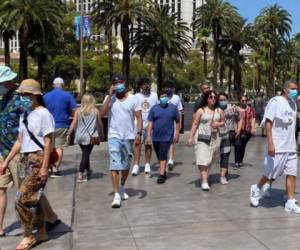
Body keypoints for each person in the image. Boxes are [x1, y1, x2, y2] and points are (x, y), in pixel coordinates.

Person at [0, 67, 59, 238]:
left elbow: (44, 137)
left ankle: (45, 222)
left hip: (23, 154)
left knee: (26, 193)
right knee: (4, 189)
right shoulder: (3, 99)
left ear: (7, 82)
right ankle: (1, 227)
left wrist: (43, 165)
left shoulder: (24, 99)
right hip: (6, 151)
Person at [250, 80, 300, 213]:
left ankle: (290, 202)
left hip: (290, 147)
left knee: (292, 174)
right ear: (285, 89)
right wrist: (270, 143)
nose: (295, 91)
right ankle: (256, 187)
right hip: (278, 146)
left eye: (297, 89)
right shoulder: (275, 102)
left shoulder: (293, 104)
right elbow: (268, 122)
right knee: (269, 174)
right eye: (292, 89)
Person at [101, 74, 142, 208]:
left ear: (124, 83)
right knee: (115, 165)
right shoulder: (110, 99)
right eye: (115, 82)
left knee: (125, 166)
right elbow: (101, 114)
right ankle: (116, 195)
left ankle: (122, 186)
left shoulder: (133, 99)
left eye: (120, 82)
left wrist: (139, 133)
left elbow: (139, 117)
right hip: (114, 136)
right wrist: (109, 96)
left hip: (129, 136)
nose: (118, 84)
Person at [188, 90, 225, 191]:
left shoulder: (219, 111)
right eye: (210, 97)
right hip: (201, 137)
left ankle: (204, 177)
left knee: (210, 160)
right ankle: (204, 181)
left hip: (215, 138)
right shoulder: (201, 110)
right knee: (202, 158)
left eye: (214, 97)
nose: (213, 99)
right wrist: (191, 137)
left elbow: (223, 122)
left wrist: (218, 124)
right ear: (206, 98)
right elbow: (195, 124)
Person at [44, 77, 77, 177]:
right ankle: (55, 170)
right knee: (59, 148)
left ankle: (48, 167)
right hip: (62, 125)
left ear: (53, 85)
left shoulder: (46, 96)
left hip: (48, 125)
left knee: (48, 146)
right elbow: (75, 111)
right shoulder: (68, 96)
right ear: (63, 85)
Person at [67, 94, 104, 183]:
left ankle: (88, 170)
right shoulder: (95, 111)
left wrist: (69, 133)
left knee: (85, 153)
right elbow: (100, 124)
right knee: (86, 154)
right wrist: (102, 134)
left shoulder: (78, 111)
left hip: (79, 136)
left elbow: (73, 123)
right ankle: (80, 172)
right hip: (91, 136)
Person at [146, 90, 180, 184]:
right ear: (159, 98)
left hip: (167, 136)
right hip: (156, 136)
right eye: (162, 96)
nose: (164, 98)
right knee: (159, 155)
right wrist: (148, 135)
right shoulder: (154, 109)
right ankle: (163, 171)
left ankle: (161, 175)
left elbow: (177, 121)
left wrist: (177, 133)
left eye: (165, 96)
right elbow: (150, 122)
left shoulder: (173, 108)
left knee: (163, 154)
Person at [131, 77, 158, 176]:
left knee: (148, 144)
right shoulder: (136, 96)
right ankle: (136, 165)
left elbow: (156, 109)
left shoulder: (155, 95)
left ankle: (147, 164)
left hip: (150, 123)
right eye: (144, 84)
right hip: (138, 123)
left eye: (148, 83)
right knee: (137, 144)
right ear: (140, 86)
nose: (146, 85)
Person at [218, 93, 243, 184]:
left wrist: (239, 129)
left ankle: (223, 176)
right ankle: (225, 169)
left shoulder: (233, 108)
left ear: (227, 99)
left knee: (225, 153)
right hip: (217, 134)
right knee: (219, 155)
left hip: (229, 133)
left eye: (224, 99)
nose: (222, 101)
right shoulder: (216, 108)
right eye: (220, 100)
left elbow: (240, 118)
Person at [163, 80, 183, 170]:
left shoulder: (176, 98)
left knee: (171, 141)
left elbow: (180, 112)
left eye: (170, 87)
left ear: (173, 88)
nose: (168, 89)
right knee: (163, 142)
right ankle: (164, 158)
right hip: (162, 123)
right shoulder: (161, 97)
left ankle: (170, 159)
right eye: (166, 87)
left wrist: (180, 125)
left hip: (173, 123)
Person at [234, 95, 256, 168]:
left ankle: (240, 160)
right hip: (237, 131)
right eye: (242, 100)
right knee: (237, 145)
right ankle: (237, 161)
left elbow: (252, 119)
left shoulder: (250, 109)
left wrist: (253, 128)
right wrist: (234, 127)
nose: (244, 102)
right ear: (239, 101)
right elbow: (233, 119)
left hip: (247, 131)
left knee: (243, 146)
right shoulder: (236, 109)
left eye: (245, 100)